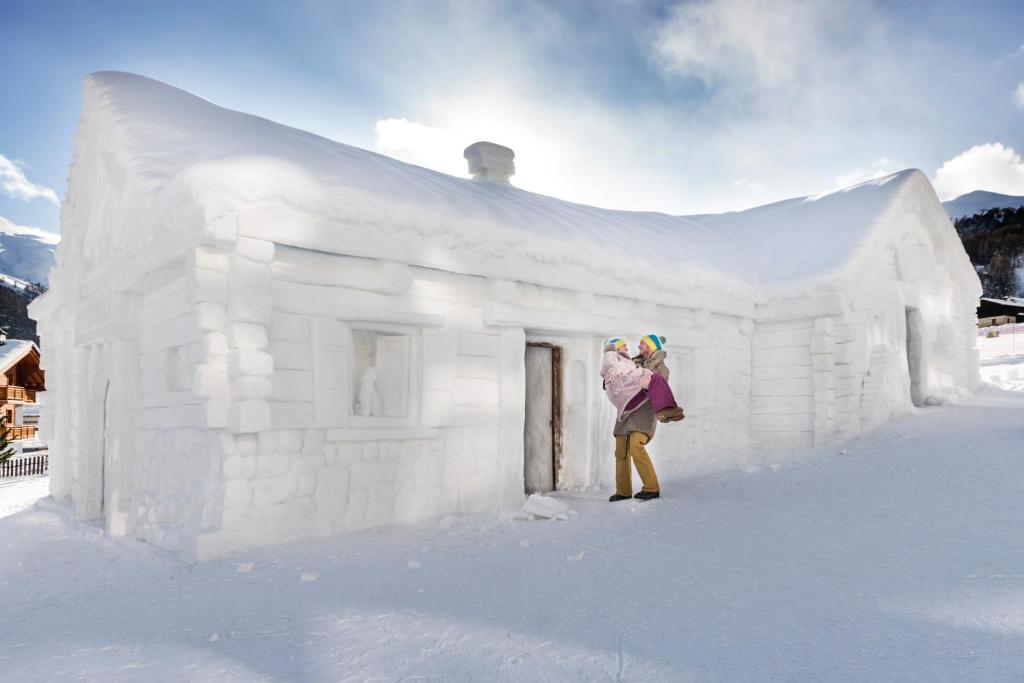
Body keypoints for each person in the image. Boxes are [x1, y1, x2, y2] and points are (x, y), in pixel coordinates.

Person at [601, 336, 684, 502]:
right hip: (625, 412)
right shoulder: (631, 362)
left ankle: (651, 488)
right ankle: (623, 491)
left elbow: (661, 385)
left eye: (643, 344)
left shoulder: (660, 367)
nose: (639, 346)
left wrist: (648, 386)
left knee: (635, 447)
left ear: (651, 346)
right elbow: (620, 376)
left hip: (644, 414)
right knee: (620, 452)